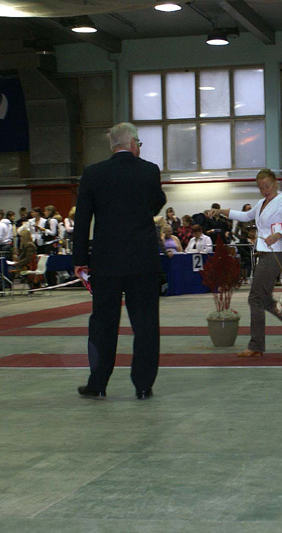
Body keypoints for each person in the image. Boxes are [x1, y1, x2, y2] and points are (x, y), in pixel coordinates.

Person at [73, 122, 166, 400]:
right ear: (133, 143)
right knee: (146, 324)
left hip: (106, 263)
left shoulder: (93, 174)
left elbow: (82, 221)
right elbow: (157, 203)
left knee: (102, 324)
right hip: (143, 262)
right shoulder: (149, 171)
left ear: (112, 145)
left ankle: (98, 383)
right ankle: (143, 385)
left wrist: (80, 260)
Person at [209, 169, 282, 358]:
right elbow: (245, 216)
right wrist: (221, 211)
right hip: (264, 255)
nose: (264, 190)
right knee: (265, 301)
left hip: (272, 256)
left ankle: (256, 346)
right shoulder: (263, 203)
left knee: (255, 299)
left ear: (276, 183)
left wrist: (278, 235)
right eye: (261, 187)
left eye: (267, 186)